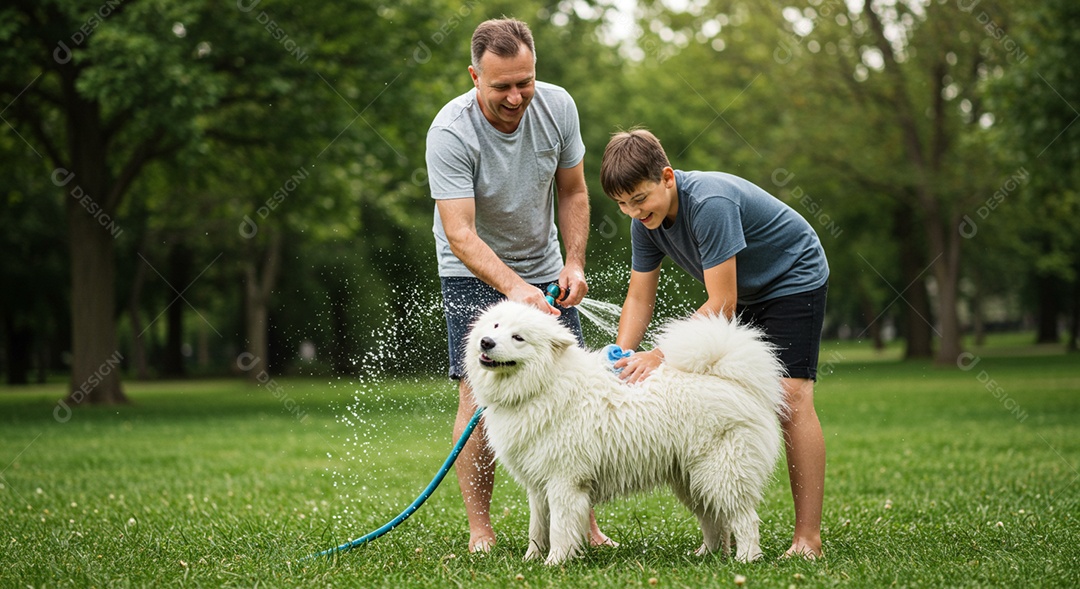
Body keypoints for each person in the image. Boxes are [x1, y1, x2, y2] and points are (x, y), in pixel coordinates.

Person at [425, 17, 612, 553]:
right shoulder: (451, 131)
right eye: (501, 85)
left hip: (543, 264)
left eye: (524, 82)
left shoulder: (559, 107)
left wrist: (572, 263)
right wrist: (514, 289)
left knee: (572, 395)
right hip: (471, 269)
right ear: (474, 76)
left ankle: (584, 525)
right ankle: (481, 530)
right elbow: (459, 232)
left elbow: (574, 193)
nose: (515, 96)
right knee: (477, 397)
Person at [599, 128, 829, 559]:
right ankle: (720, 535)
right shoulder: (643, 224)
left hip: (792, 278)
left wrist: (657, 355)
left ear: (667, 177)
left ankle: (807, 539)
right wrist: (623, 357)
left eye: (640, 199)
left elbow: (723, 301)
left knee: (791, 397)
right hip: (743, 291)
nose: (633, 212)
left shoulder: (709, 202)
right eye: (623, 205)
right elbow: (638, 297)